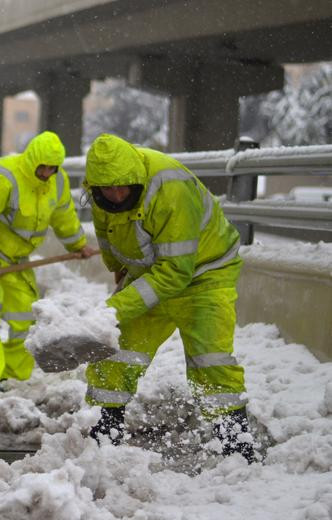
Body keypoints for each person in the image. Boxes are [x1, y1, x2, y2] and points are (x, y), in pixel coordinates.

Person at [82, 133, 255, 462]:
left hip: (204, 274)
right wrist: (118, 267)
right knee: (116, 352)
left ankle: (237, 448)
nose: (115, 196)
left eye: (122, 188)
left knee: (211, 360)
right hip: (151, 272)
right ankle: (104, 435)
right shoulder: (100, 192)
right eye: (107, 190)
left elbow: (176, 272)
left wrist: (113, 310)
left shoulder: (171, 189)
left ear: (135, 178)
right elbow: (107, 232)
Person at [0, 131, 97, 399]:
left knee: (23, 316)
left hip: (16, 257)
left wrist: (78, 244)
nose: (47, 173)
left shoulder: (57, 182)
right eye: (43, 167)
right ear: (31, 160)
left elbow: (64, 216)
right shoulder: (2, 178)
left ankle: (14, 377)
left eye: (53, 168)